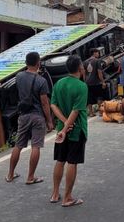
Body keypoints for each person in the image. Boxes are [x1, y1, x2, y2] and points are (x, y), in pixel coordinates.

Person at [6, 52, 53, 184]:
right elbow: (44, 102)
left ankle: (10, 174)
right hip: (37, 116)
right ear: (38, 63)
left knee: (18, 145)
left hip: (23, 115)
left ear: (26, 63)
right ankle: (30, 177)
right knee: (35, 146)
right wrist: (49, 121)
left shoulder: (19, 76)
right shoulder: (41, 81)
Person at [50, 55, 88, 207]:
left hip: (61, 129)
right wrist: (67, 127)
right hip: (76, 130)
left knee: (60, 160)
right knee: (72, 162)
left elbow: (53, 105)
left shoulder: (59, 83)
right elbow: (76, 111)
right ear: (79, 68)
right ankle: (67, 197)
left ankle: (54, 194)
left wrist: (63, 125)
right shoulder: (81, 86)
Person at [84, 48, 105, 117]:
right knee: (99, 97)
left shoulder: (85, 62)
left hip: (88, 83)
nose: (98, 54)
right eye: (98, 53)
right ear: (94, 53)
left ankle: (91, 113)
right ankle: (101, 112)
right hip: (96, 82)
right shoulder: (97, 61)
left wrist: (85, 82)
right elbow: (99, 72)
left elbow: (84, 74)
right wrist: (103, 82)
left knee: (89, 99)